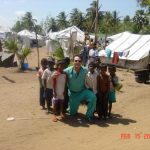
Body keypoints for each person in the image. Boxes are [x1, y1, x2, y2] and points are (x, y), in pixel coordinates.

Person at [65, 55, 96, 123]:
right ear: (73, 62)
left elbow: (94, 73)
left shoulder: (85, 70)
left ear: (81, 62)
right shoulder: (67, 71)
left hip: (83, 91)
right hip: (73, 94)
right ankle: (71, 108)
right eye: (76, 61)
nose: (77, 62)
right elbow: (60, 73)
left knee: (93, 97)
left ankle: (89, 115)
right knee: (72, 114)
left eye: (79, 61)